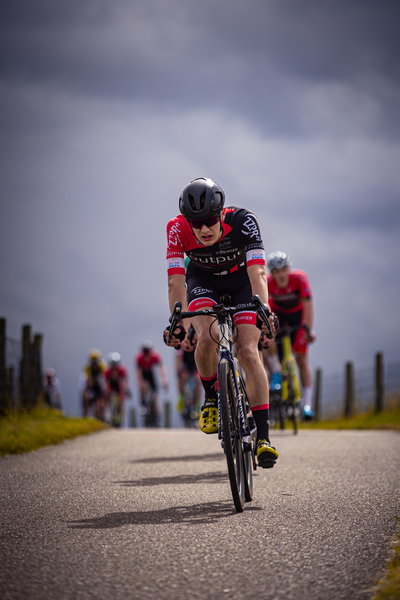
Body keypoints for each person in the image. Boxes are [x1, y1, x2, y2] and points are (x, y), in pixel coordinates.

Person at [163, 177, 279, 468]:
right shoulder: (176, 229)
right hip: (202, 281)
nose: (203, 229)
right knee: (205, 336)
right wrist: (177, 322)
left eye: (210, 221)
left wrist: (263, 310)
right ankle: (212, 397)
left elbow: (258, 275)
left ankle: (263, 437)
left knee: (248, 351)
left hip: (242, 280)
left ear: (221, 213)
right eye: (196, 223)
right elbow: (176, 280)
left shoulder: (244, 221)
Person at [265, 251, 316, 415]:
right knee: (268, 336)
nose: (281, 275)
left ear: (289, 269)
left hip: (297, 317)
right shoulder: (267, 282)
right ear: (271, 273)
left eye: (284, 270)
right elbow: (267, 309)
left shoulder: (299, 278)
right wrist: (267, 329)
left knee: (301, 358)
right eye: (277, 272)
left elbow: (308, 306)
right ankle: (276, 371)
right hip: (278, 315)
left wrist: (308, 329)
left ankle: (307, 404)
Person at [135, 341, 168, 426]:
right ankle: (143, 404)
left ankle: (157, 416)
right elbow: (138, 372)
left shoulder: (155, 356)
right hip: (144, 374)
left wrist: (164, 380)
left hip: (151, 375)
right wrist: (141, 383)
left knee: (155, 396)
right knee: (143, 388)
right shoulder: (139, 358)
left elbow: (161, 369)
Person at [104, 352, 131, 427]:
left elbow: (125, 381)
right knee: (108, 400)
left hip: (119, 387)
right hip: (111, 387)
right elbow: (106, 384)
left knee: (121, 403)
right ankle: (108, 417)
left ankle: (123, 421)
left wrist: (127, 390)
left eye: (116, 365)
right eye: (113, 365)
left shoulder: (122, 370)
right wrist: (107, 393)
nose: (114, 367)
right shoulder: (107, 371)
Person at [80, 349, 107, 420]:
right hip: (91, 386)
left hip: (99, 386)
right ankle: (85, 415)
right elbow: (87, 381)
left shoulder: (102, 366)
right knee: (85, 398)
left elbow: (104, 379)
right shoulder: (87, 368)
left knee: (101, 401)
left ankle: (101, 416)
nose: (94, 364)